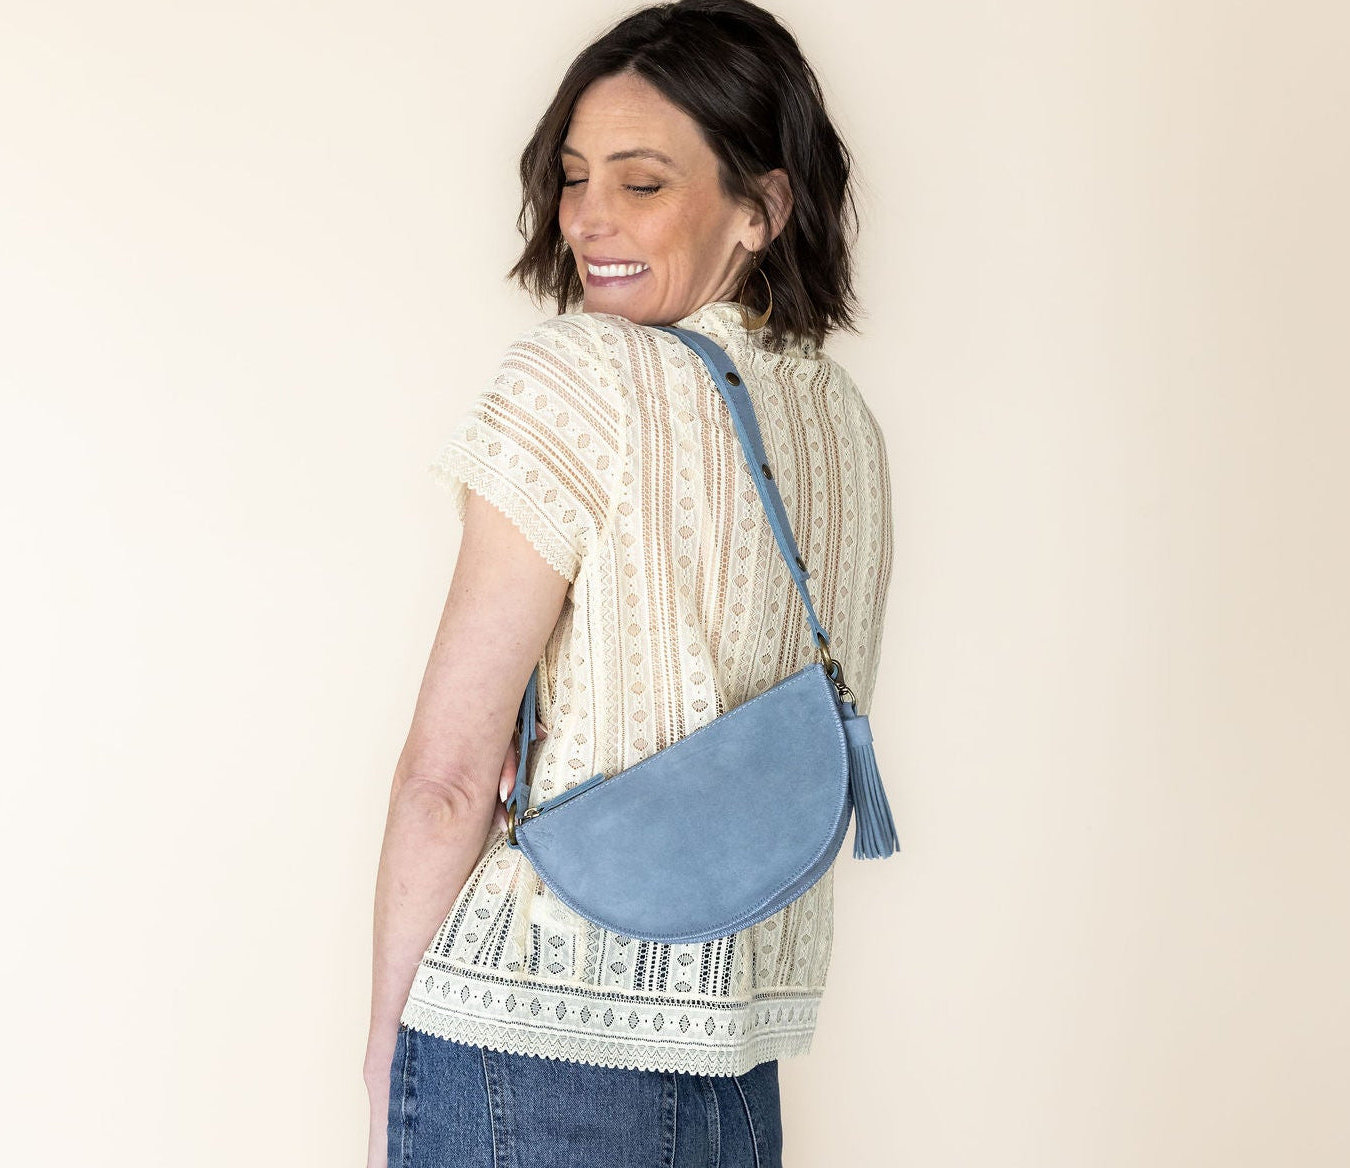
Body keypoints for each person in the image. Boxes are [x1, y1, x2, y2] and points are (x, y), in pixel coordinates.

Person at [363, 2, 893, 1164]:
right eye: (572, 176)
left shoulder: (579, 372)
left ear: (763, 207)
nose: (590, 217)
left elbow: (447, 780)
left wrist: (384, 1062)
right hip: (736, 1067)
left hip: (521, 1048)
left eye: (642, 182)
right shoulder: (846, 429)